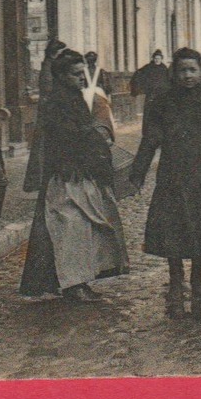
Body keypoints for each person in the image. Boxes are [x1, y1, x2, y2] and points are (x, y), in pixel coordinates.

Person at [127, 47, 201, 319]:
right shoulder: (162, 103)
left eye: (192, 70)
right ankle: (176, 279)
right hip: (173, 175)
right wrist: (138, 172)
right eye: (182, 70)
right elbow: (150, 139)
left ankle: (198, 278)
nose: (187, 75)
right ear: (173, 73)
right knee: (172, 228)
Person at [20, 50, 130, 301]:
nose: (83, 78)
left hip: (80, 173)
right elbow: (67, 138)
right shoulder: (56, 103)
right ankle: (73, 284)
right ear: (60, 76)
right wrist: (94, 140)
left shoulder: (75, 98)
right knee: (70, 229)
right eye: (76, 74)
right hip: (66, 176)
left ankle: (78, 280)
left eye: (84, 73)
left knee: (82, 227)